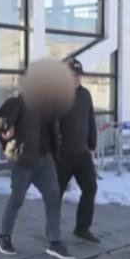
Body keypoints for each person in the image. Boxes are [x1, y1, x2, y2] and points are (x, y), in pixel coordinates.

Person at [0, 60, 76, 259]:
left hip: (44, 159)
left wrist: (56, 155)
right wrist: (8, 145)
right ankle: (3, 236)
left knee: (53, 197)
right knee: (17, 199)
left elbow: (54, 131)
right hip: (23, 161)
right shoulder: (17, 101)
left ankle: (54, 241)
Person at [57, 58, 100, 243]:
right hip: (63, 155)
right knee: (56, 194)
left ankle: (82, 228)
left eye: (78, 75)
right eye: (72, 75)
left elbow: (90, 121)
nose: (76, 78)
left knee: (90, 188)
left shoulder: (85, 95)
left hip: (82, 153)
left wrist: (92, 145)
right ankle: (53, 232)